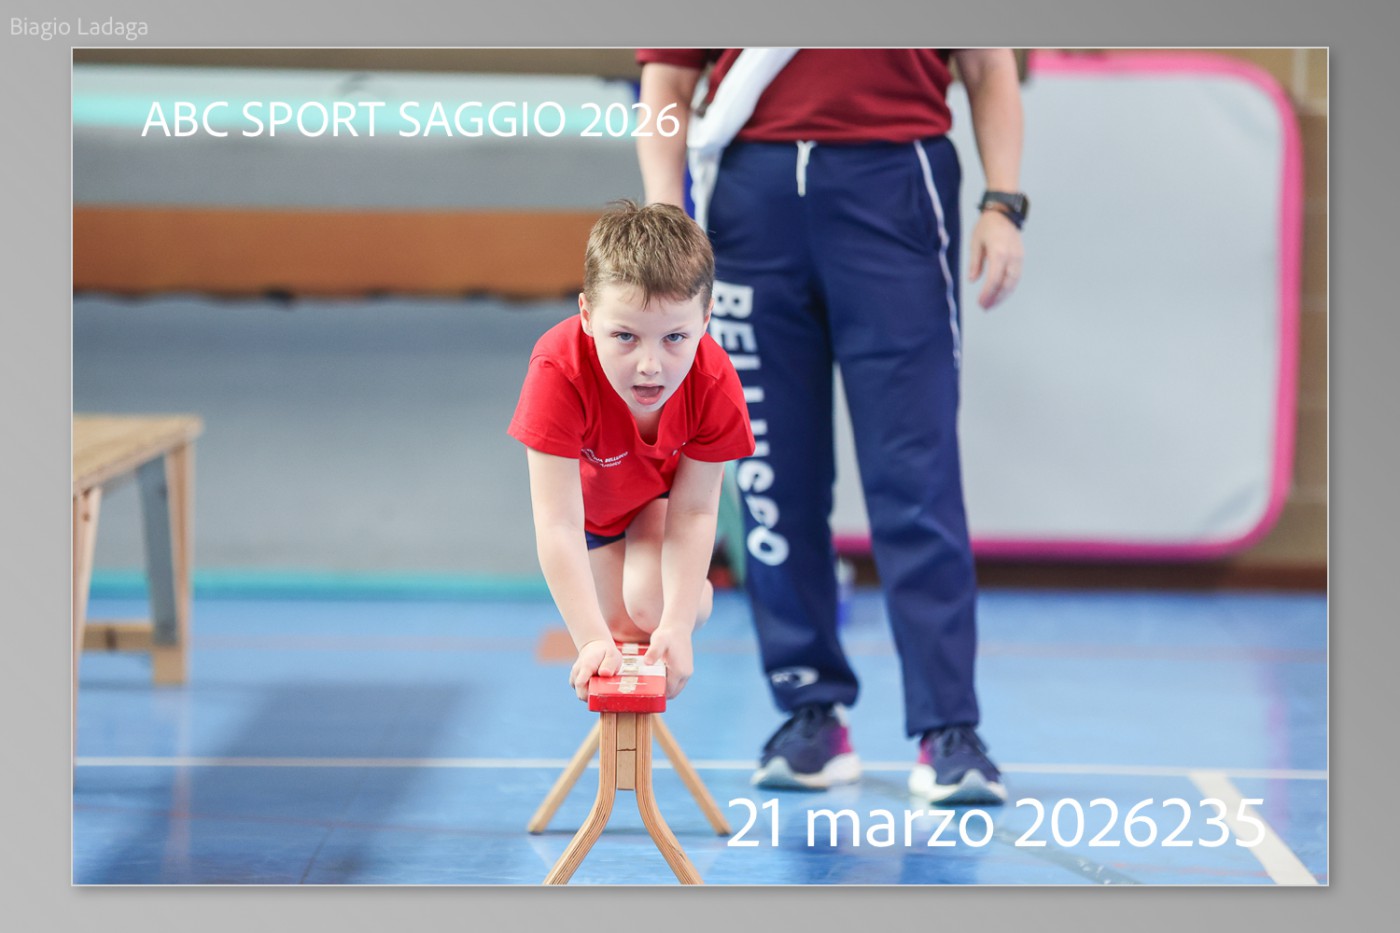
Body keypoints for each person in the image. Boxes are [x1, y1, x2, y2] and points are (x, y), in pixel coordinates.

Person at [635, 48, 1026, 803]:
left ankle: (949, 726)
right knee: (770, 474)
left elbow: (989, 65)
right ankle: (809, 709)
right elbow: (668, 78)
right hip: (749, 201)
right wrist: (663, 212)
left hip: (896, 183)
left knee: (917, 473)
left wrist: (1002, 203)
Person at [508, 200, 756, 702]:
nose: (650, 365)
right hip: (588, 516)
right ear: (586, 315)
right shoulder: (558, 371)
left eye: (675, 337)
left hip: (656, 504)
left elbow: (695, 509)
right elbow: (557, 522)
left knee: (651, 608)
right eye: (625, 336)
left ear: (706, 318)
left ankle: (695, 593)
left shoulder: (714, 385)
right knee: (616, 628)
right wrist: (590, 639)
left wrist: (679, 623)